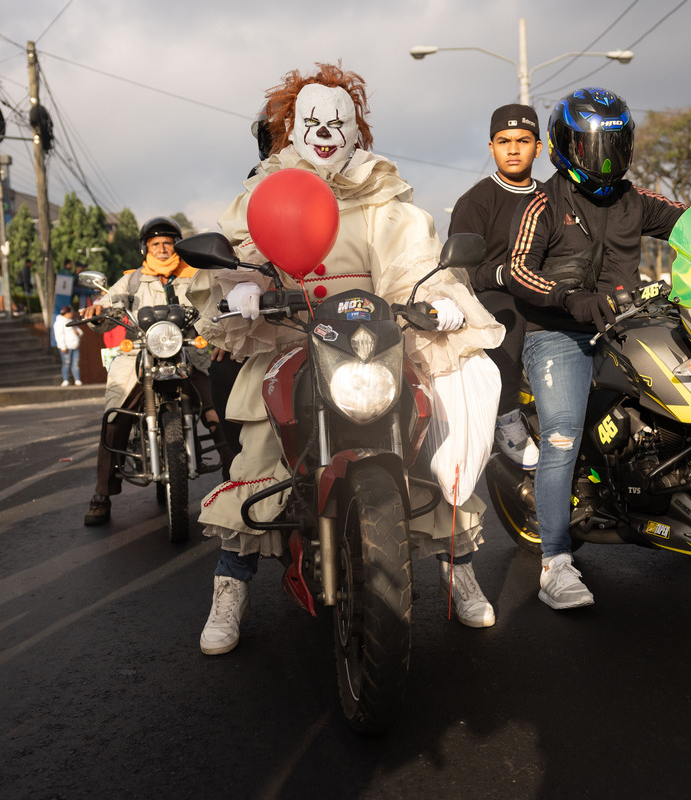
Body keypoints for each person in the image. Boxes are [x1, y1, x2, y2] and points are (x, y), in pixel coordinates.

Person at [190, 62, 505, 654]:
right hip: (291, 337)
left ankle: (459, 568)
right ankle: (230, 588)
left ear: (357, 128)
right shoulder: (269, 186)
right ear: (294, 127)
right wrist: (243, 287)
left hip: (373, 342)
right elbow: (243, 250)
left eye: (339, 120)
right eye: (313, 120)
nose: (326, 131)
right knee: (258, 455)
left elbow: (414, 258)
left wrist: (437, 300)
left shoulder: (383, 195)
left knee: (430, 442)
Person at [506, 87, 691, 611]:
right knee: (561, 438)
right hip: (560, 330)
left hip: (632, 318)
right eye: (593, 145)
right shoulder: (542, 203)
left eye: (615, 144)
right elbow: (518, 269)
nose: (605, 157)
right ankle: (555, 562)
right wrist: (569, 298)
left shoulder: (635, 200)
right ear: (565, 146)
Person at [81, 217, 223, 525]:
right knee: (116, 416)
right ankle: (102, 494)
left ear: (177, 246)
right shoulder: (132, 280)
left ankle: (238, 482)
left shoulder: (195, 275)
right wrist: (98, 311)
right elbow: (110, 304)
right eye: (155, 243)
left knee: (219, 413)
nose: (162, 249)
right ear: (146, 247)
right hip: (141, 355)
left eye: (168, 243)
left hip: (188, 351)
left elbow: (216, 303)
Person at [449, 103, 543, 469]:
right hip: (493, 298)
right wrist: (507, 275)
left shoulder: (553, 197)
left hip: (548, 292)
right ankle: (506, 415)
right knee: (511, 309)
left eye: (523, 140)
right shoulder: (476, 201)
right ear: (491, 148)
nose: (514, 149)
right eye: (504, 141)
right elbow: (462, 272)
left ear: (539, 146)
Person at [53, 305, 83, 386]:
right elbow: (59, 335)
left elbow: (80, 332)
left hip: (75, 345)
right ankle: (65, 379)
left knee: (75, 364)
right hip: (66, 346)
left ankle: (77, 379)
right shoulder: (59, 322)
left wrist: (78, 333)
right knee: (66, 363)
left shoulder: (71, 321)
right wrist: (62, 346)